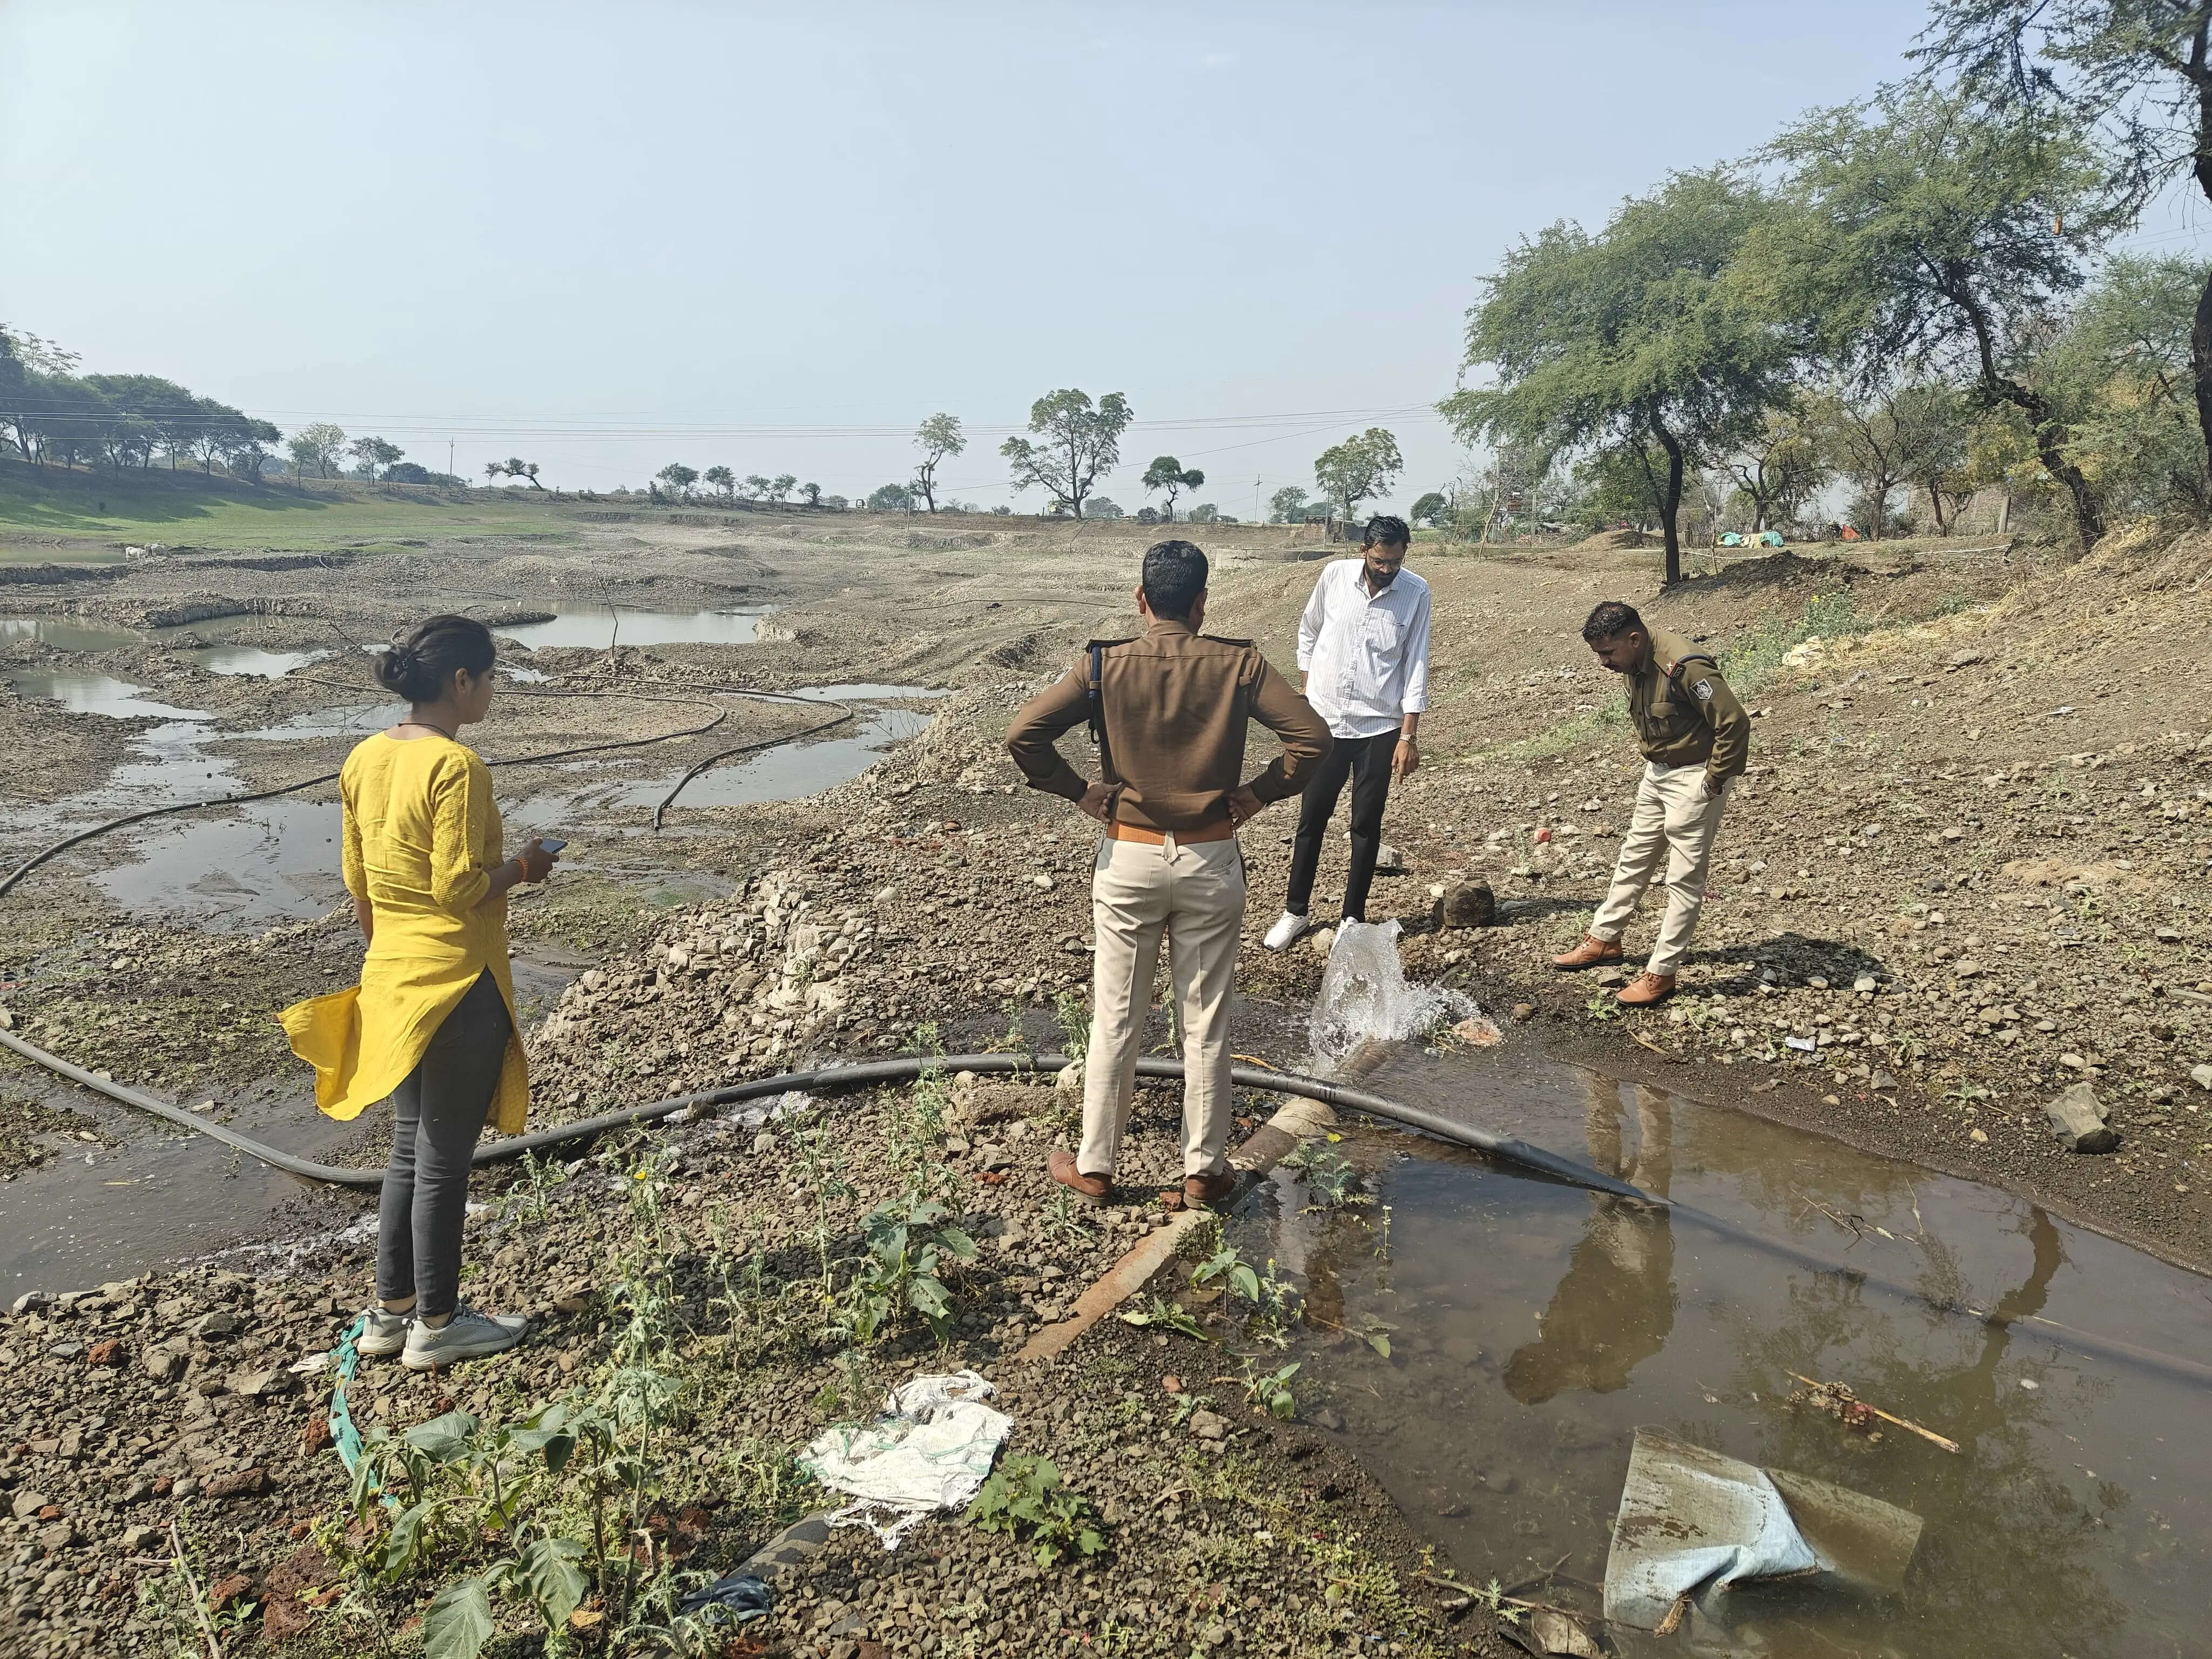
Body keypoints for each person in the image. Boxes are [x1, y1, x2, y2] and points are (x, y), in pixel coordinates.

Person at [1006, 539, 1331, 1207]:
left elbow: (1023, 735)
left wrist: (1077, 791)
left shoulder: (1103, 665)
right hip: (1212, 856)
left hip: (1128, 855)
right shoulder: (1238, 665)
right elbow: (1313, 739)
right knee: (1205, 1020)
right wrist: (1259, 793)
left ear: (1140, 599)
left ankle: (1096, 1168)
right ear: (1203, 602)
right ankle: (1205, 1172)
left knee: (1116, 1017)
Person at [280, 615, 556, 1368]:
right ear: (460, 683)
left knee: (409, 1150)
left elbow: (358, 880)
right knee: (443, 1162)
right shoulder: (457, 768)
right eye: (491, 676)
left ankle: (389, 1313)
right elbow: (460, 887)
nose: (494, 689)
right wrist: (526, 868)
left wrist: (388, 962)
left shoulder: (365, 757)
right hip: (459, 984)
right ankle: (438, 1325)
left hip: (394, 980)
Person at [1552, 601, 1749, 1006]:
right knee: (1634, 857)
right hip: (1657, 774)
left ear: (1634, 638)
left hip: (1694, 777)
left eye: (1608, 653)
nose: (1604, 662)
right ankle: (1605, 939)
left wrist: (1713, 782)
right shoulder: (1634, 662)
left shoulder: (1683, 665)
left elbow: (1734, 722)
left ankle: (1662, 972)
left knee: (1683, 880)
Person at [1261, 515, 1432, 950]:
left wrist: (1408, 737)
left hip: (1379, 727)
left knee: (1365, 826)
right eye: (1379, 560)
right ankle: (1295, 912)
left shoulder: (1415, 593)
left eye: (1395, 562)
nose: (1387, 569)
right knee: (1311, 821)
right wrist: (1307, 689)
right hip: (1326, 724)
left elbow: (1415, 664)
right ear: (1364, 551)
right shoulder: (1334, 576)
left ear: (1404, 554)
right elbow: (1309, 631)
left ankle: (1351, 920)